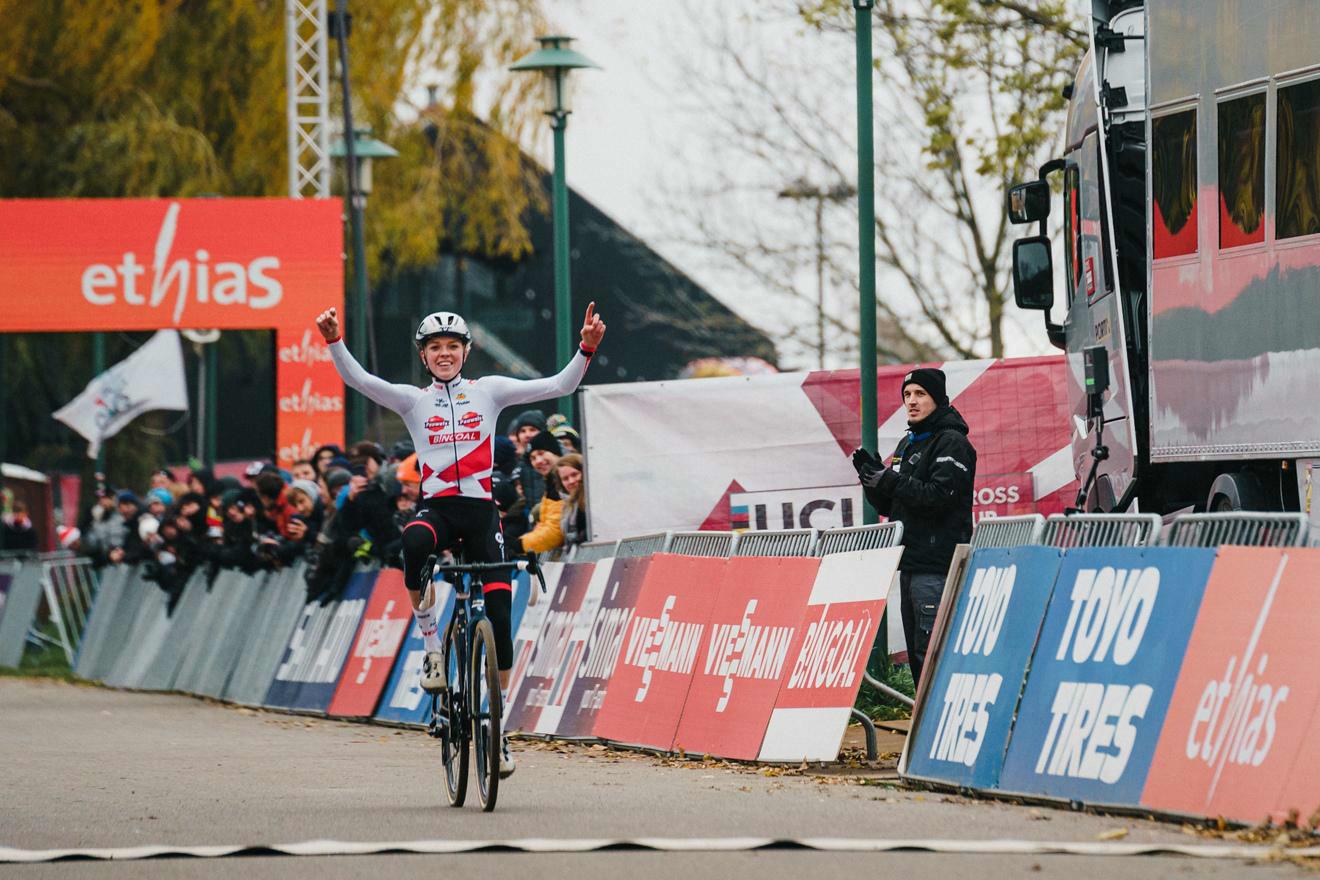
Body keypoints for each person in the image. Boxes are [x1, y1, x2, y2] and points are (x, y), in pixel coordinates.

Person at [316, 301, 605, 778]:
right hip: (438, 511)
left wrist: (585, 349)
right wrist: (335, 342)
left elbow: (559, 385)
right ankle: (433, 649)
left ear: (466, 352)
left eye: (453, 346)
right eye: (435, 348)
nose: (445, 353)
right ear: (424, 356)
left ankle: (496, 727)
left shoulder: (488, 392)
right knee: (413, 543)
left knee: (499, 618)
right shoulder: (413, 401)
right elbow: (362, 382)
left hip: (480, 513)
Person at [851, 367, 976, 688]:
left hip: (937, 566)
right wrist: (872, 479)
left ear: (937, 398)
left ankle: (940, 724)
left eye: (920, 394)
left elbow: (939, 497)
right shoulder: (909, 444)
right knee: (919, 655)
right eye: (907, 395)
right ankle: (924, 727)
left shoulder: (952, 442)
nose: (912, 401)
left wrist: (890, 479)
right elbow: (890, 507)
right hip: (911, 563)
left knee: (932, 651)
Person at [556, 453, 588, 551]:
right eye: (565, 479)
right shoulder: (568, 505)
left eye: (574, 474)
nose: (571, 481)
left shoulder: (592, 501)